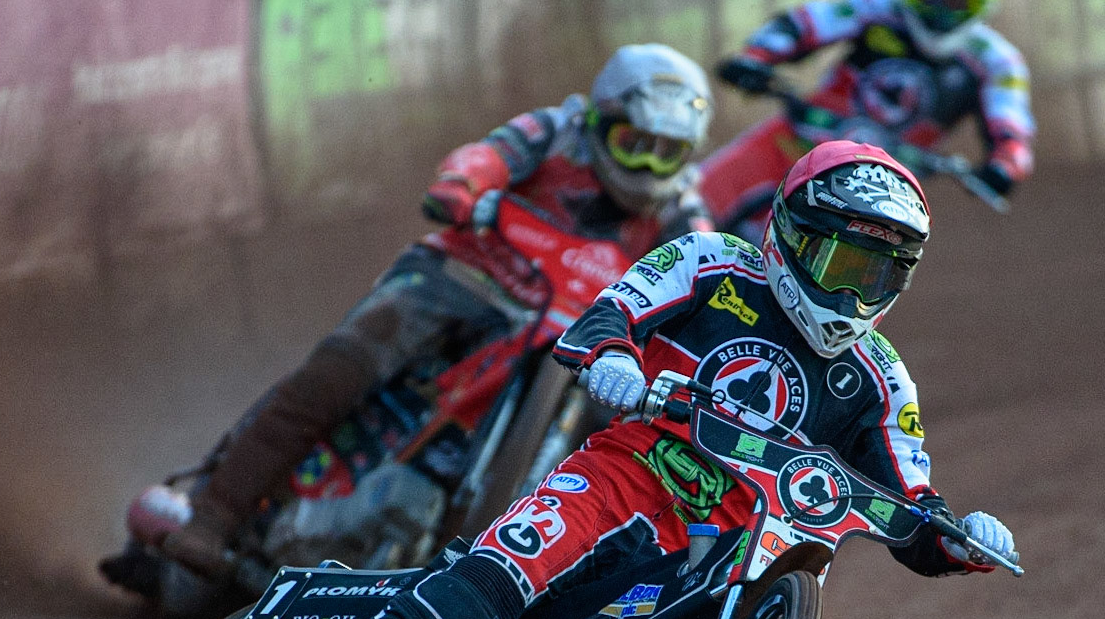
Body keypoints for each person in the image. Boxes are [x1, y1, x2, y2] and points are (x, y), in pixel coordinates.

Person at [203, 141, 1017, 619]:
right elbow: (602, 320)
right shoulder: (709, 262)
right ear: (793, 235)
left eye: (877, 274)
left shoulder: (881, 380)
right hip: (620, 478)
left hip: (717, 554)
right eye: (843, 264)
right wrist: (614, 361)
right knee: (483, 590)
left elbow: (914, 505)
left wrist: (961, 536)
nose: (853, 293)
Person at [156, 44, 715, 580]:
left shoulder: (682, 214)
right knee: (341, 370)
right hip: (466, 278)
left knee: (630, 419)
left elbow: (706, 271)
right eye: (632, 143)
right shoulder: (553, 133)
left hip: (573, 335)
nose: (647, 167)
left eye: (668, 152)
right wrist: (462, 186)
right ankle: (214, 514)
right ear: (600, 121)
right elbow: (486, 157)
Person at [701, 0, 1034, 228]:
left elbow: (1012, 132)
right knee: (693, 200)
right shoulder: (875, 7)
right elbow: (803, 25)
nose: (941, 11)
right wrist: (756, 58)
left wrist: (1003, 167)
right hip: (795, 141)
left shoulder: (997, 63)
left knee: (820, 269)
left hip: (874, 191)